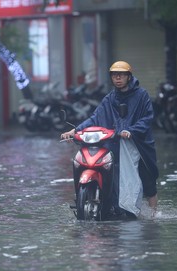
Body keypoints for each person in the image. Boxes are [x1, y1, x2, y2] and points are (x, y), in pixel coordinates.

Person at [61, 61, 159, 215]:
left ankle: (153, 215)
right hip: (115, 142)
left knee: (147, 178)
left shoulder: (142, 96)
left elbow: (147, 119)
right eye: (114, 75)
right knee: (110, 170)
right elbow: (94, 119)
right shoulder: (110, 99)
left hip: (138, 143)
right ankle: (110, 205)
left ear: (129, 76)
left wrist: (131, 131)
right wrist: (75, 131)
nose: (118, 78)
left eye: (121, 75)